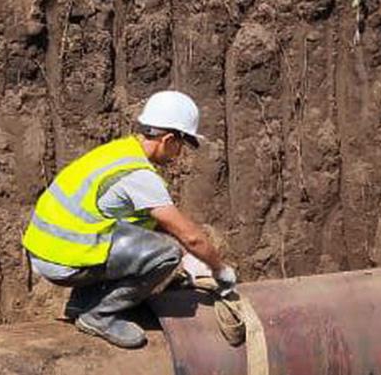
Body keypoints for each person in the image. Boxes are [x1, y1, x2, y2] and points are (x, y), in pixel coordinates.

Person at [22, 90, 237, 348]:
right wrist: (219, 270)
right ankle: (99, 316)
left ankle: (84, 302)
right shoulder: (140, 176)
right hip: (64, 259)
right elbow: (190, 236)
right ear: (169, 139)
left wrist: (192, 258)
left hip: (47, 248)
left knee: (140, 233)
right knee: (166, 253)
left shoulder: (119, 152)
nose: (179, 154)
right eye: (181, 145)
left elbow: (140, 221)